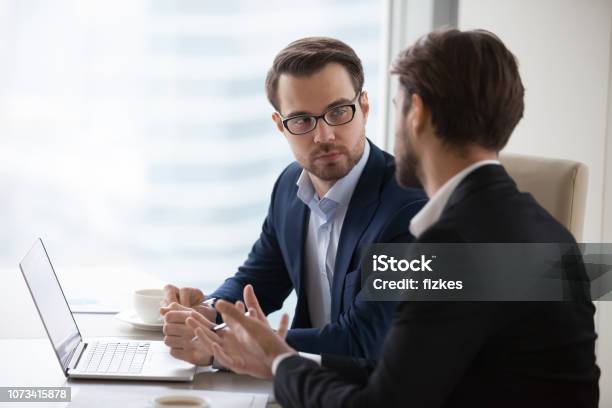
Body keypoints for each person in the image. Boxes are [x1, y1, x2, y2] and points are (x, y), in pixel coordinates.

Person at [196, 29, 600, 407]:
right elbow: (405, 374)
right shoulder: (545, 230)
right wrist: (257, 347)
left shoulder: (449, 247)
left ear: (416, 113)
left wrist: (277, 361)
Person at [160, 37, 427, 366]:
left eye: (339, 111)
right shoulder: (289, 186)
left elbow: (364, 338)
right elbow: (259, 280)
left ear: (365, 108)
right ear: (280, 126)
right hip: (300, 384)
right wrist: (206, 312)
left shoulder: (409, 207)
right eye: (302, 120)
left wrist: (222, 342)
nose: (324, 135)